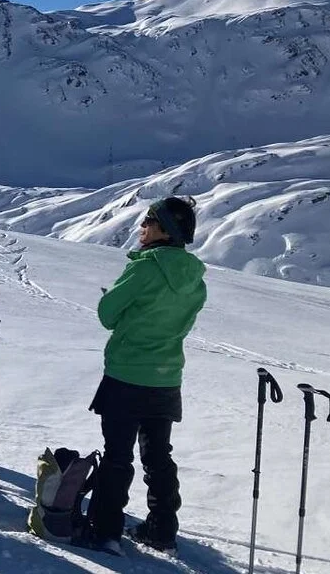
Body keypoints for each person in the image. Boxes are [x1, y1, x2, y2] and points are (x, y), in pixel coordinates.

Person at [86, 196, 206, 556]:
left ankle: (105, 530)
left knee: (117, 455)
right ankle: (162, 530)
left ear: (162, 230)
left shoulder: (145, 268)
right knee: (158, 456)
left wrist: (123, 310)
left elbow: (108, 314)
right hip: (167, 377)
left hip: (126, 374)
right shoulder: (195, 278)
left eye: (147, 222)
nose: (141, 229)